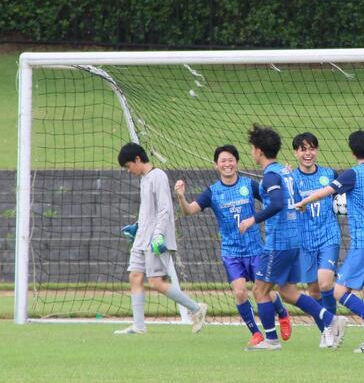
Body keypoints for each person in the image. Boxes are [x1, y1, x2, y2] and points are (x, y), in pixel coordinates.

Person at [237, 124, 347, 351]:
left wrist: (252, 220)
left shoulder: (270, 176)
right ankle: (331, 319)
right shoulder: (286, 172)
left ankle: (271, 340)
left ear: (258, 150)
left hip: (279, 243)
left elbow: (277, 203)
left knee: (260, 290)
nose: (251, 153)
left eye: (252, 149)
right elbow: (295, 198)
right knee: (288, 292)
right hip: (295, 241)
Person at [173, 145, 291, 348]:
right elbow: (189, 211)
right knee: (239, 292)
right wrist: (181, 197)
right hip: (231, 252)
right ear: (216, 165)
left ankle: (282, 314)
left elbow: (274, 200)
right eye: (223, 161)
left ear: (236, 162)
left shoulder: (250, 185)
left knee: (266, 292)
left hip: (256, 249)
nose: (227, 164)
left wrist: (285, 177)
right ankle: (256, 333)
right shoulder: (212, 192)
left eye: (231, 160)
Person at [295, 130, 364, 353]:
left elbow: (325, 192)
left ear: (352, 151)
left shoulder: (353, 174)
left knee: (339, 291)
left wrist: (304, 202)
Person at [114, 142, 207, 335]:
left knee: (156, 281)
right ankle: (139, 326)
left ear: (137, 159)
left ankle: (196, 309)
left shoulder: (158, 176)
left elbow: (165, 209)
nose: (129, 171)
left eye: (128, 166)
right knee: (135, 276)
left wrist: (157, 236)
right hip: (142, 238)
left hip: (154, 239)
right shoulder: (144, 179)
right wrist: (137, 227)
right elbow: (148, 210)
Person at [291, 132, 342, 348]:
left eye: (311, 148)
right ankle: (326, 330)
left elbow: (349, 192)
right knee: (313, 291)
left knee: (325, 282)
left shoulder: (330, 174)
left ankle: (334, 327)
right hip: (304, 241)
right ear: (296, 153)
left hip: (329, 235)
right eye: (303, 149)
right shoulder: (290, 178)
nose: (308, 153)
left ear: (317, 151)